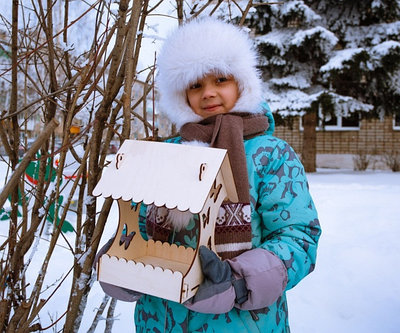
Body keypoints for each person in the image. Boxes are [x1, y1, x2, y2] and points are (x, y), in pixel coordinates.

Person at [96, 18, 321, 332]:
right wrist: (128, 263)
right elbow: (142, 223)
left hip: (242, 322)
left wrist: (238, 282)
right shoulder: (167, 152)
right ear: (181, 94)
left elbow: (298, 236)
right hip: (160, 319)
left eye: (221, 79)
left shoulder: (271, 155)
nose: (209, 93)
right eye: (195, 85)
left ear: (242, 81)